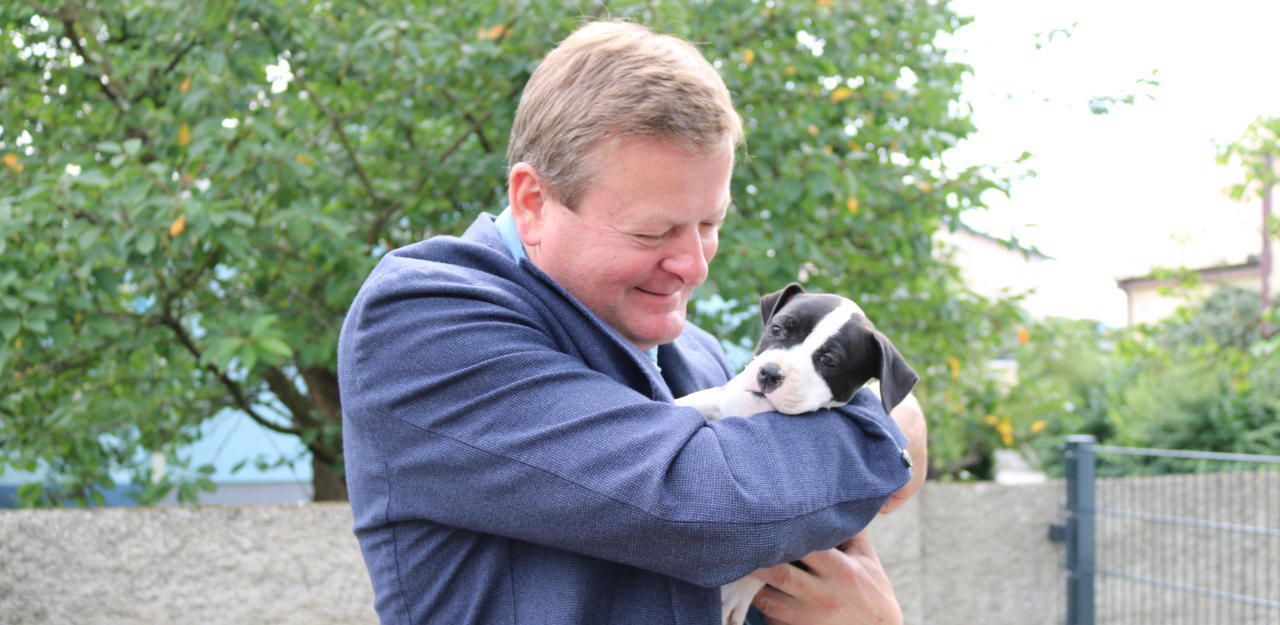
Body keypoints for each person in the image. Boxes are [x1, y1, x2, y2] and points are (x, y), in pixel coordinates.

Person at [337, 20, 927, 625]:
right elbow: (702, 507)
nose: (694, 266)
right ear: (533, 203)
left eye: (710, 224)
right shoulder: (421, 324)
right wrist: (883, 424)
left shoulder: (699, 356)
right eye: (653, 232)